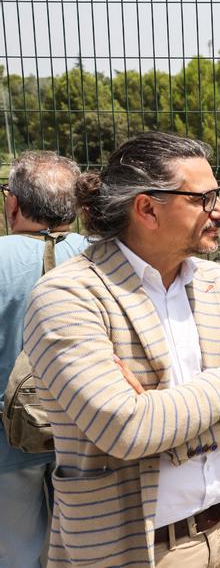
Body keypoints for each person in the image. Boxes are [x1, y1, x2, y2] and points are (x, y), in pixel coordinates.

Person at [22, 131, 220, 567]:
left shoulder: (218, 284)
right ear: (147, 208)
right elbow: (126, 430)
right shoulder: (67, 296)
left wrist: (167, 427)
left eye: (217, 196)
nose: (219, 211)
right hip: (133, 549)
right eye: (202, 199)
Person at [0, 152, 88, 568]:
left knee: (14, 555)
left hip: (6, 443)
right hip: (87, 434)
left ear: (13, 204)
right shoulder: (104, 257)